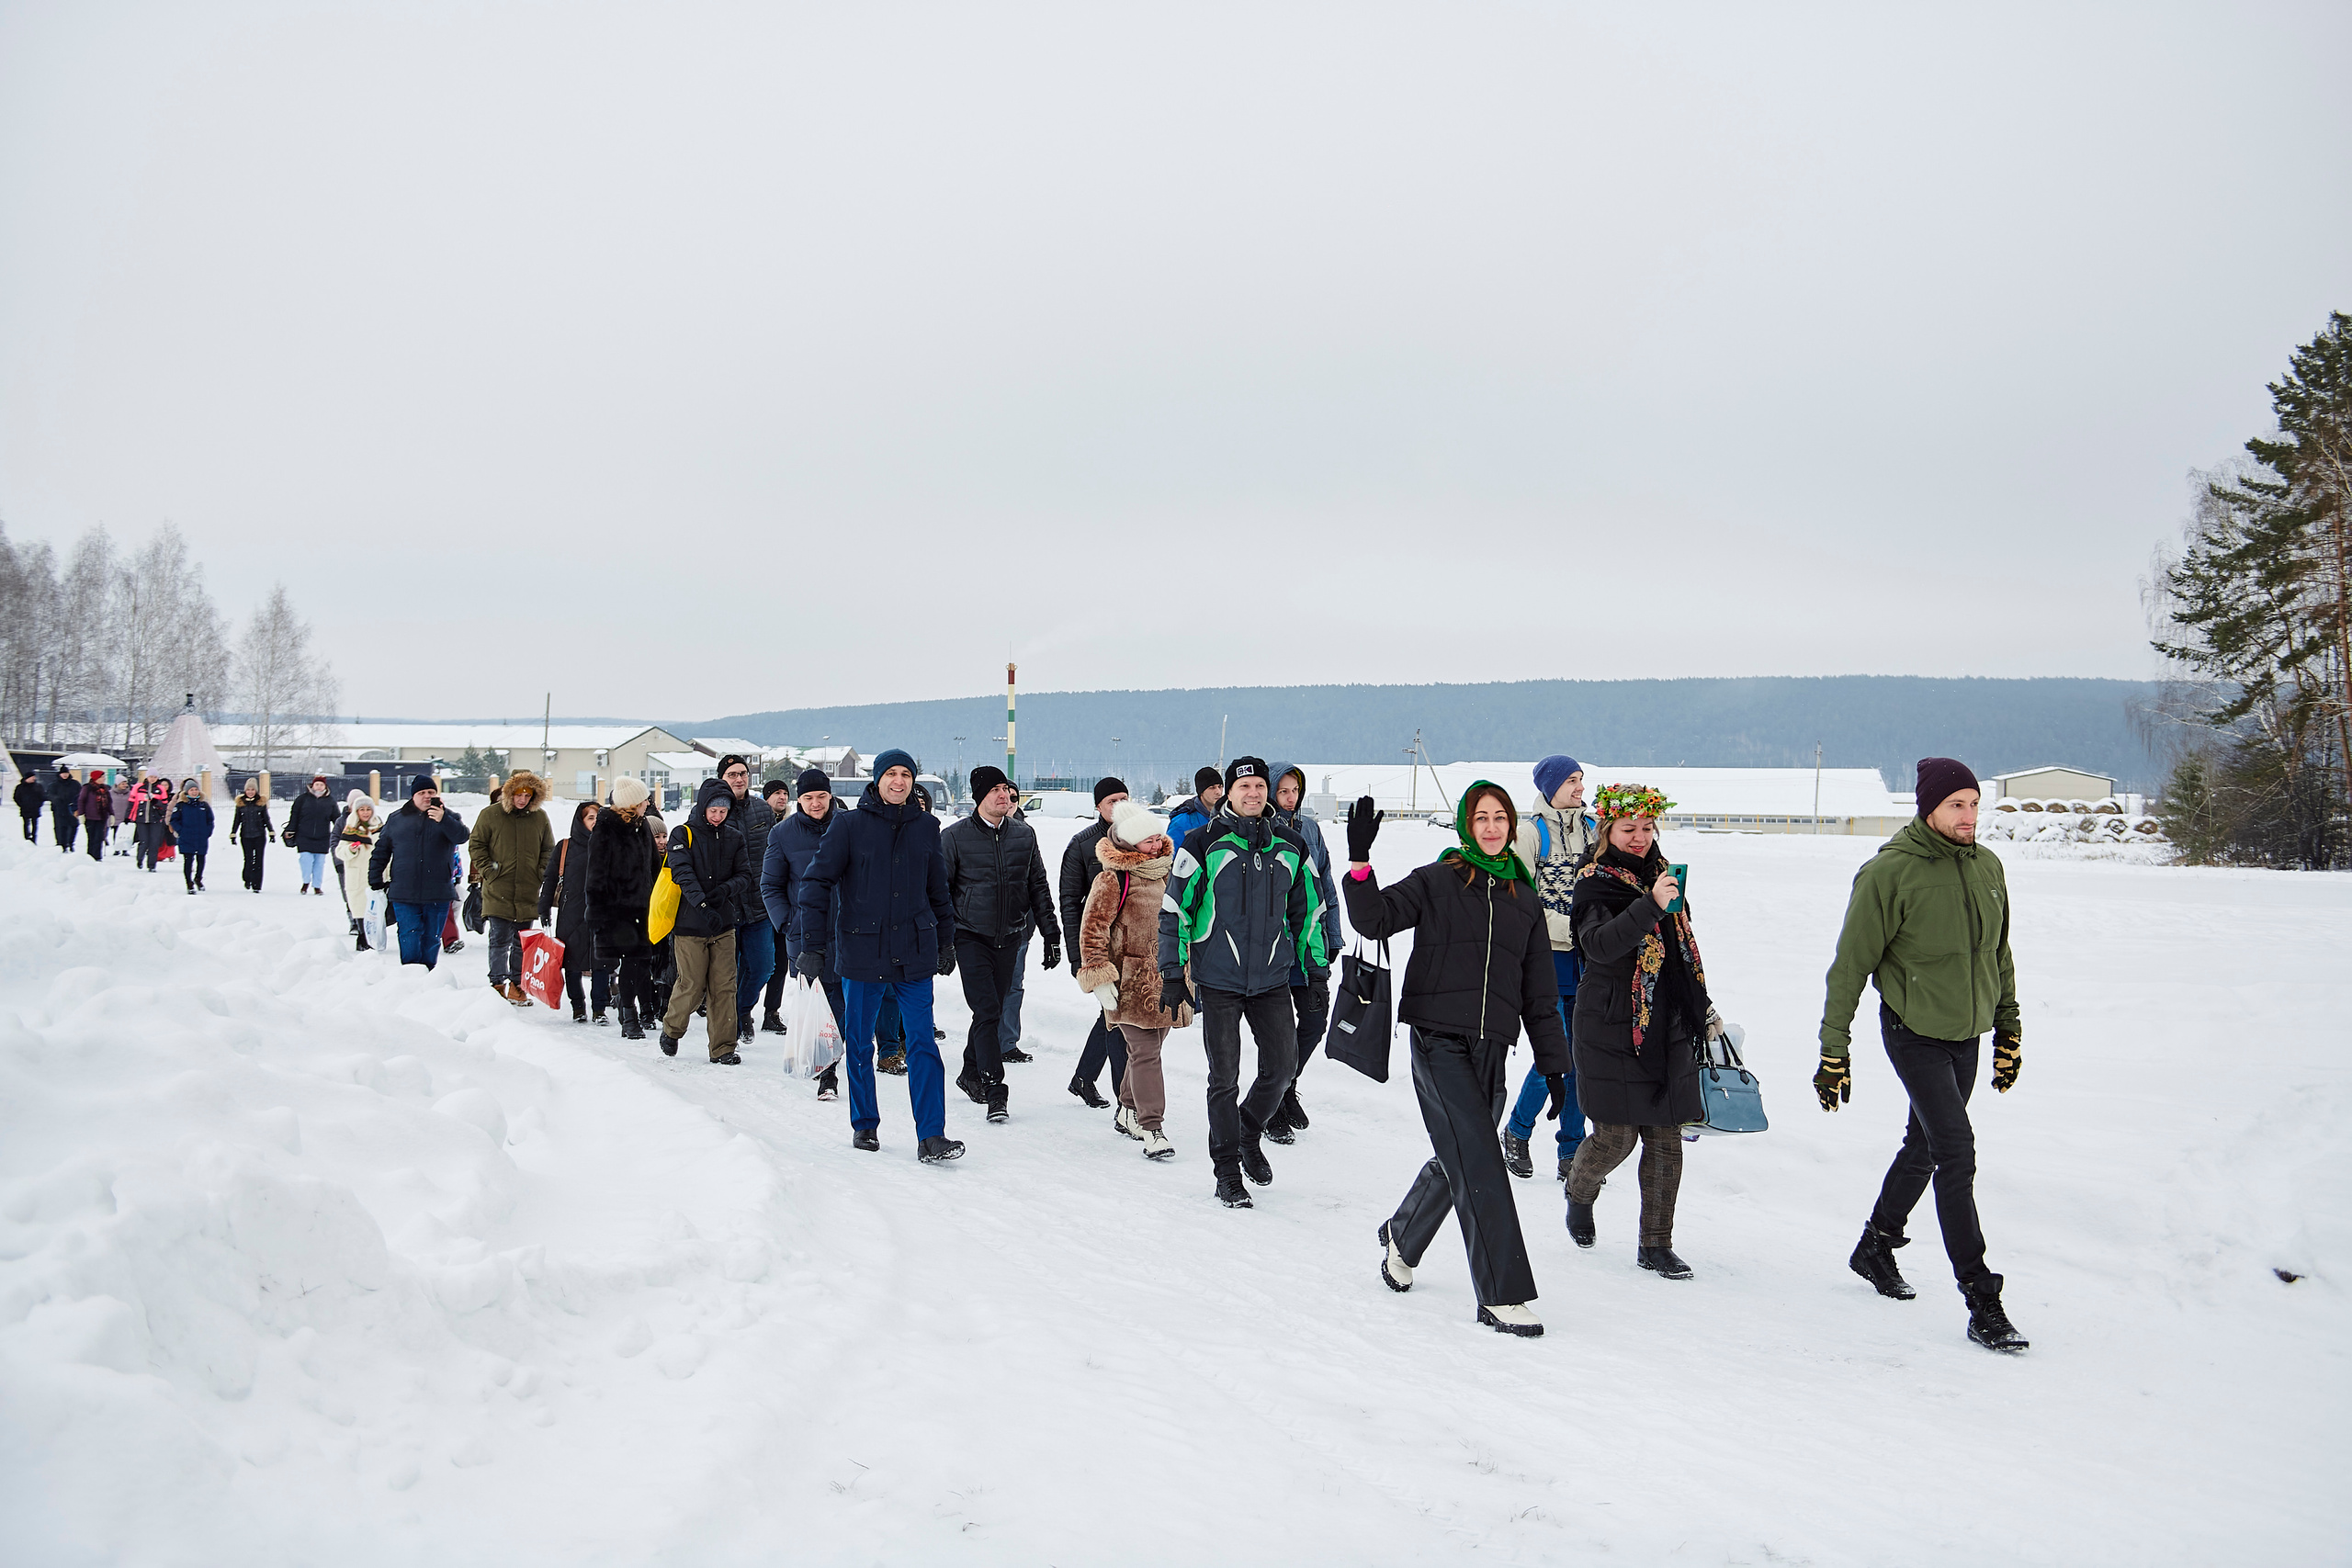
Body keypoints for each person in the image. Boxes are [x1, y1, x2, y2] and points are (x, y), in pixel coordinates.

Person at [1818, 757, 2030, 1353]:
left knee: (1925, 1144)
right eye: (1957, 805)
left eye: (1974, 804)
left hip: (1967, 1033)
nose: (1970, 816)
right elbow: (1849, 968)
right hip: (1912, 1030)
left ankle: (1877, 1242)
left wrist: (2008, 1028)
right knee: (1955, 1151)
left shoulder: (1988, 867)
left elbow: (1999, 954)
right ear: (1929, 807)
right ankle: (1982, 1298)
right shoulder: (1889, 873)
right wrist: (1835, 1049)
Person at [1342, 784, 1568, 1337]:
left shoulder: (1524, 898)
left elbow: (1539, 994)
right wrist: (1359, 861)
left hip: (1492, 1044)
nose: (1491, 828)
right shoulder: (1438, 879)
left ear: (1512, 825)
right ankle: (1502, 1294)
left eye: (1500, 818)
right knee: (1481, 1159)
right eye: (1480, 818)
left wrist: (1555, 1065)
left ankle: (1402, 1235)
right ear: (1466, 825)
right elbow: (1374, 920)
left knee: (1463, 1154)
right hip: (1438, 1039)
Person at [1159, 756, 1326, 1209]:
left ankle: (1249, 1131)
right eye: (1243, 786)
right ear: (1228, 792)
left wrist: (1315, 972)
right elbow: (1174, 911)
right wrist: (1173, 974)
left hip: (1271, 978)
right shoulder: (1202, 841)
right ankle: (1227, 1170)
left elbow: (1308, 913)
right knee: (1224, 1076)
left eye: (1259, 786)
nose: (1253, 794)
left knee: (1283, 1065)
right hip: (1219, 979)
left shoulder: (1291, 845)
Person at [1562, 784, 1709, 1281]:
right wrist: (1649, 904)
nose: (1641, 837)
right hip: (1609, 1023)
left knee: (1666, 1139)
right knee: (1617, 1138)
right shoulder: (1593, 883)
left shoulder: (1663, 876)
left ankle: (1656, 1244)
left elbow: (1679, 950)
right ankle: (1579, 1192)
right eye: (1630, 829)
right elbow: (1600, 946)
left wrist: (1702, 1007)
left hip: (1665, 1021)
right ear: (1607, 831)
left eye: (1648, 828)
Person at [794, 749, 963, 1163]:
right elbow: (815, 884)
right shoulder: (847, 826)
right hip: (862, 949)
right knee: (860, 1041)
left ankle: (931, 1135)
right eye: (892, 773)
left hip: (914, 950)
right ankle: (865, 1123)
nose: (899, 781)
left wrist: (945, 941)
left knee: (922, 1041)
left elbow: (938, 890)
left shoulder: (926, 827)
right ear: (877, 779)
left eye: (907, 774)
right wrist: (811, 946)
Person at [941, 763, 1061, 1124]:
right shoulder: (954, 837)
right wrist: (943, 943)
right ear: (980, 796)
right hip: (970, 934)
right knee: (989, 1011)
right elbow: (940, 894)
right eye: (995, 790)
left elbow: (1038, 884)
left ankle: (968, 1071)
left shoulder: (1024, 835)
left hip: (1010, 935)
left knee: (987, 1012)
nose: (1003, 795)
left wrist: (1050, 933)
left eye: (1007, 790)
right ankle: (996, 1090)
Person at [1074, 797, 1192, 1159]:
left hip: (1169, 977)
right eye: (1148, 841)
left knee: (1149, 1049)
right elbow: (1092, 930)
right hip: (1128, 982)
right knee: (1145, 1052)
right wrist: (1098, 977)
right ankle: (1152, 1126)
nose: (1156, 845)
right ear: (1128, 844)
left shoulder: (1171, 873)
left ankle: (1127, 1110)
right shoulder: (1112, 879)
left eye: (1157, 838)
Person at [1501, 755, 1597, 1183]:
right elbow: (1519, 899)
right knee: (1552, 1056)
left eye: (1581, 779)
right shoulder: (1528, 833)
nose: (1579, 787)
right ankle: (1517, 1132)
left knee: (1583, 1057)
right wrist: (1572, 928)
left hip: (1589, 959)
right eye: (1572, 781)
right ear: (1551, 786)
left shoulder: (1593, 829)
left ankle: (1572, 1148)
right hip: (1547, 957)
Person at [1267, 762, 1345, 1139]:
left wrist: (1332, 936)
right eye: (1282, 791)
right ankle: (1270, 1103)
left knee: (1314, 1023)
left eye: (1294, 790)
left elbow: (1325, 883)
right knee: (1278, 1033)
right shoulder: (1262, 830)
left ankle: (1286, 1087)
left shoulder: (1309, 828)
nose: (1290, 798)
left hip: (1310, 945)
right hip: (1274, 949)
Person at [761, 768, 845, 1099]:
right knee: (815, 999)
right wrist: (787, 923)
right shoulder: (783, 834)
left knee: (838, 1000)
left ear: (830, 796)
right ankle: (826, 1071)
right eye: (808, 798)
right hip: (804, 932)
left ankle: (831, 1063)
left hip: (846, 929)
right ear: (799, 800)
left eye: (821, 797)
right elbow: (770, 885)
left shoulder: (848, 826)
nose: (815, 804)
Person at [660, 780, 753, 1064]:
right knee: (692, 985)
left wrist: (724, 891)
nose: (718, 816)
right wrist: (702, 903)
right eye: (713, 810)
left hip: (723, 925)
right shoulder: (682, 834)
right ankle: (672, 1029)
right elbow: (682, 872)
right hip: (690, 926)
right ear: (703, 807)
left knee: (724, 986)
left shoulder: (734, 837)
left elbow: (745, 875)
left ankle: (723, 1047)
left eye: (723, 812)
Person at [1058, 777, 1132, 1110]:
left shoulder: (1139, 839)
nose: (1118, 806)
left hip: (1133, 946)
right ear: (1098, 807)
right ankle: (1125, 1102)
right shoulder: (1083, 845)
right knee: (1116, 1017)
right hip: (1099, 948)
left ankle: (1084, 1078)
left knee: (1113, 1014)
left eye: (1124, 798)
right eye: (1111, 801)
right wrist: (1079, 959)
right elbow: (1070, 903)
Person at [468, 770, 555, 1007]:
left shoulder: (540, 818)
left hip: (527, 890)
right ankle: (497, 985)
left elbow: (549, 848)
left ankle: (518, 986)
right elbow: (476, 844)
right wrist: (489, 871)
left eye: (528, 795)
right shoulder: (490, 815)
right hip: (499, 889)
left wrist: (539, 872)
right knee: (499, 939)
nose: (522, 799)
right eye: (518, 794)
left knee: (522, 942)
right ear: (510, 793)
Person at [368, 775, 469, 968]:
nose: (427, 796)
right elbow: (381, 851)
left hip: (438, 892)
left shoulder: (449, 817)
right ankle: (410, 975)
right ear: (413, 796)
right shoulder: (397, 819)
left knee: (432, 938)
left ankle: (428, 975)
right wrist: (375, 880)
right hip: (404, 892)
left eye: (431, 792)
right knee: (409, 934)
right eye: (421, 793)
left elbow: (462, 836)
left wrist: (444, 820)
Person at [587, 777, 662, 1039]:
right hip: (616, 909)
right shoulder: (605, 829)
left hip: (642, 908)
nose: (647, 803)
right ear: (633, 802)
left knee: (641, 963)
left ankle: (627, 1007)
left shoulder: (641, 827)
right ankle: (628, 1013)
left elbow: (653, 865)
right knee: (630, 960)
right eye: (644, 800)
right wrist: (596, 912)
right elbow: (595, 874)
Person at [537, 798, 614, 1022]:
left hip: (603, 912)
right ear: (580, 822)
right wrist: (543, 909)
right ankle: (578, 1007)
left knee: (600, 963)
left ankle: (599, 1009)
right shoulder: (565, 847)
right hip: (572, 912)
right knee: (571, 963)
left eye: (599, 818)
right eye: (591, 818)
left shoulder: (611, 845)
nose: (596, 822)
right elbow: (550, 879)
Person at [753, 779, 796, 1031]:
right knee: (757, 964)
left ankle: (771, 1011)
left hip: (784, 903)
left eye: (785, 793)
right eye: (776, 793)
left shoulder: (792, 825)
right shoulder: (756, 822)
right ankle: (743, 1009)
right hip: (758, 904)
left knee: (780, 963)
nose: (781, 797)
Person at [334, 792, 378, 941]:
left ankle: (373, 936)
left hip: (375, 873)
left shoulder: (378, 826)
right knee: (359, 907)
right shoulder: (350, 827)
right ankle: (362, 936)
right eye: (362, 809)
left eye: (368, 809)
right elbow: (339, 851)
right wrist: (350, 850)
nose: (365, 813)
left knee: (375, 908)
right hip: (357, 875)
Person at [286, 774, 339, 895]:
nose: (319, 787)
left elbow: (336, 818)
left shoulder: (330, 801)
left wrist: (341, 831)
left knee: (320, 862)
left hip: (323, 837)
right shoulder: (302, 799)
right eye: (317, 784)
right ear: (312, 785)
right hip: (304, 835)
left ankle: (317, 886)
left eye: (321, 784)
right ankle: (305, 882)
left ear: (325, 786)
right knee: (306, 860)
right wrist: (290, 830)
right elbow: (294, 816)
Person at [1162, 765, 1224, 848]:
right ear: (1201, 792)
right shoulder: (1181, 822)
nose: (1218, 792)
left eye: (1220, 787)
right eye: (1212, 788)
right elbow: (1171, 856)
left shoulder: (1229, 817)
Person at [171, 780, 214, 894]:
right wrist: (181, 831)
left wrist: (207, 832)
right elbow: (174, 820)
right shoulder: (181, 805)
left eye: (196, 789)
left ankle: (198, 878)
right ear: (187, 792)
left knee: (201, 860)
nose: (194, 792)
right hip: (187, 837)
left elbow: (210, 820)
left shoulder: (204, 805)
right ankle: (189, 883)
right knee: (188, 861)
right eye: (191, 790)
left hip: (201, 837)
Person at [229, 777, 272, 891]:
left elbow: (266, 819)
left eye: (253, 789)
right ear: (245, 791)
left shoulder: (260, 803)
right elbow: (237, 820)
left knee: (258, 859)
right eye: (248, 789)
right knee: (248, 859)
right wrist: (233, 834)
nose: (250, 792)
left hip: (259, 835)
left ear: (256, 791)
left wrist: (271, 832)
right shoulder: (240, 803)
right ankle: (248, 878)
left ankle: (257, 884)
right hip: (246, 836)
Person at [132, 776, 174, 872]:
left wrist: (156, 802)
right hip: (141, 819)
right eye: (151, 776)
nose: (153, 779)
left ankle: (152, 865)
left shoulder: (160, 789)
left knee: (154, 842)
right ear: (147, 777)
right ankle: (140, 858)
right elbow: (133, 803)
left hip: (156, 819)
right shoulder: (139, 788)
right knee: (144, 841)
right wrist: (129, 816)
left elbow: (164, 806)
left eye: (155, 777)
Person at [75, 770, 112, 863]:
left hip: (102, 816)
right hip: (90, 816)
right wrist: (81, 814)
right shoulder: (87, 788)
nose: (104, 779)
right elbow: (81, 800)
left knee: (99, 837)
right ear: (96, 778)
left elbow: (109, 802)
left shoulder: (105, 788)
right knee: (92, 837)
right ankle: (90, 856)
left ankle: (97, 856)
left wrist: (111, 813)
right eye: (102, 777)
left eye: (104, 777)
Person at [47, 763, 80, 852]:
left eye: (66, 773)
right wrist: (56, 799)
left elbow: (79, 795)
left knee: (73, 826)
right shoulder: (54, 784)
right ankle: (61, 844)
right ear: (59, 774)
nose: (65, 775)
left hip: (72, 808)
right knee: (60, 827)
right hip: (59, 809)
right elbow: (49, 795)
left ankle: (71, 843)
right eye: (63, 773)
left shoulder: (75, 784)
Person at [15, 767, 44, 842]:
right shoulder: (20, 787)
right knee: (26, 823)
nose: (34, 778)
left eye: (34, 777)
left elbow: (42, 796)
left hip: (35, 808)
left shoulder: (38, 786)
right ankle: (27, 838)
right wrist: (22, 805)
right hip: (25, 808)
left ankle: (34, 838)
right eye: (32, 777)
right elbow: (16, 797)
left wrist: (38, 805)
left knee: (35, 824)